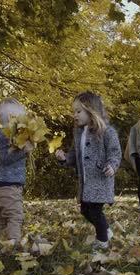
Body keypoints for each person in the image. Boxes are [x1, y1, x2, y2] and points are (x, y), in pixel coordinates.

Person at [55, 91, 121, 251]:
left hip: (100, 179)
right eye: (73, 112)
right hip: (86, 182)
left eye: (79, 111)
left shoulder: (107, 131)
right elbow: (74, 155)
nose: (75, 115)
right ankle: (106, 231)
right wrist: (64, 158)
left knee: (95, 211)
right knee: (85, 210)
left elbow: (115, 152)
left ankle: (102, 241)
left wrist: (112, 166)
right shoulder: (78, 133)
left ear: (91, 110)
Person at [0, 97, 34, 252]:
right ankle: (14, 245)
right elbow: (5, 159)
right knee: (15, 215)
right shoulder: (3, 135)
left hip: (0, 184)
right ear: (12, 119)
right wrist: (24, 152)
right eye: (21, 118)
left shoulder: (9, 135)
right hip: (5, 185)